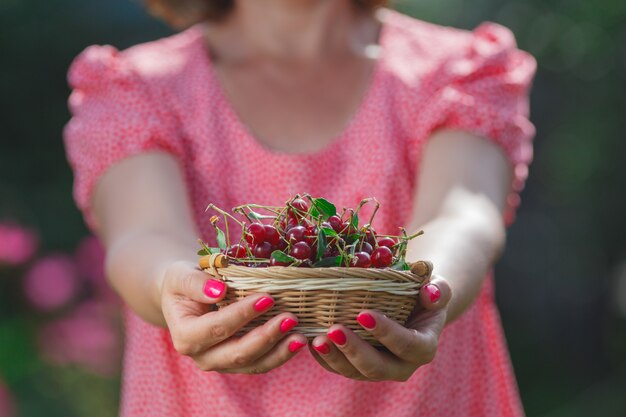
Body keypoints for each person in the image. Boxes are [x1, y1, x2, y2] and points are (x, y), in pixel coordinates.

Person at [63, 0, 536, 416]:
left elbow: (463, 215)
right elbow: (144, 235)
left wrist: (426, 289)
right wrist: (175, 285)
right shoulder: (136, 87)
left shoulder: (456, 71)